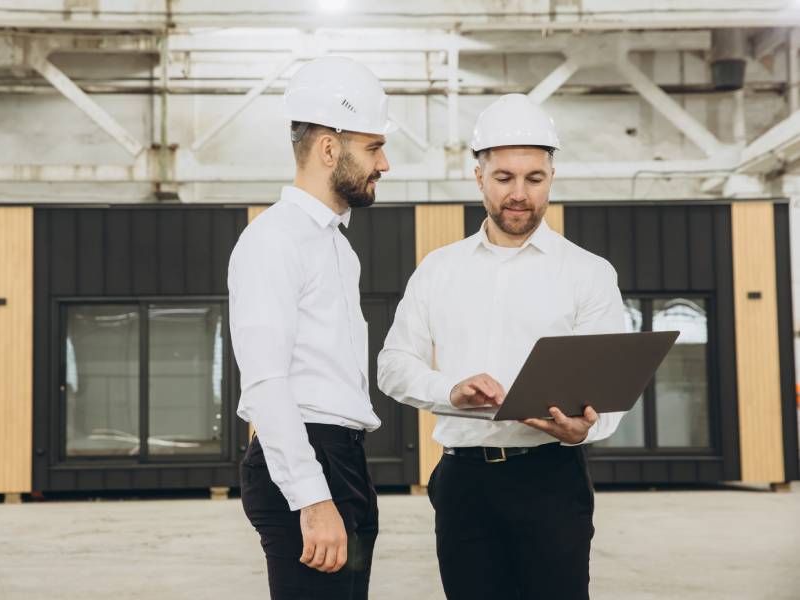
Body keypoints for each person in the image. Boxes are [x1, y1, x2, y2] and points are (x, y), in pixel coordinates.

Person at [377, 93, 626, 600]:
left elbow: (612, 387)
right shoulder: (438, 269)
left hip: (552, 481)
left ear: (551, 177)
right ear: (479, 178)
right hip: (464, 482)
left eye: (534, 179)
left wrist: (587, 428)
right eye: (504, 178)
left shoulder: (589, 273)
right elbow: (393, 365)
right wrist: (451, 391)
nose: (520, 194)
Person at [228, 55, 395, 600]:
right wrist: (312, 497)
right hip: (306, 458)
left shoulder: (336, 248)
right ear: (329, 148)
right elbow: (266, 381)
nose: (384, 164)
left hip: (342, 457)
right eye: (373, 147)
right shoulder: (274, 240)